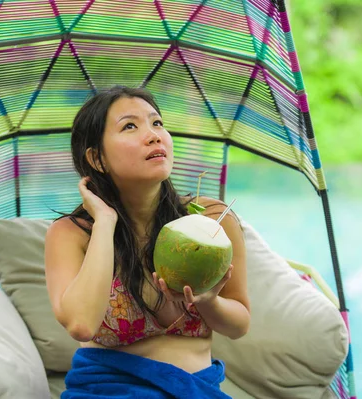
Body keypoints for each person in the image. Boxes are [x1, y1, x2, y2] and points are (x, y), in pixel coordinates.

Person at [44, 86, 250, 398]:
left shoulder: (211, 221)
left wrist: (209, 301)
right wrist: (105, 223)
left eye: (157, 123)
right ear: (96, 158)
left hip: (194, 390)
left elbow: (239, 326)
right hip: (105, 391)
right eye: (130, 126)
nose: (154, 135)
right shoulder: (72, 233)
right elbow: (81, 325)